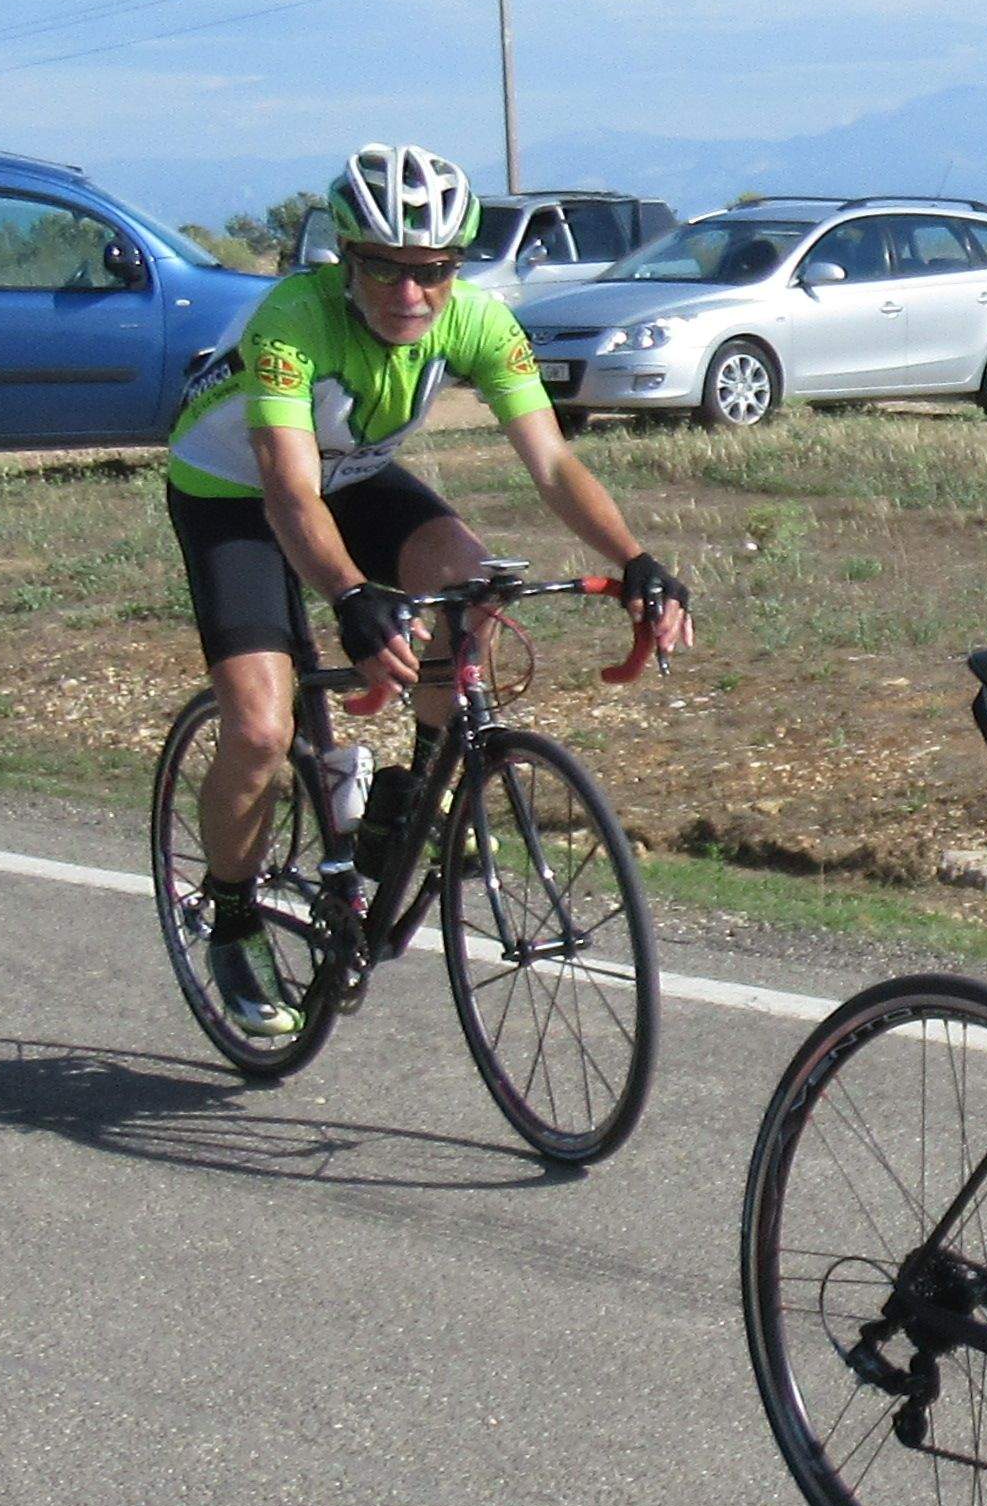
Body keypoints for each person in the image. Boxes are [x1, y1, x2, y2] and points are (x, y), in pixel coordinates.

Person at [168, 143, 693, 1041]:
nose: (410, 296)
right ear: (347, 258)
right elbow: (289, 495)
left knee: (470, 580)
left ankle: (410, 795)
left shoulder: (479, 322)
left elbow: (553, 461)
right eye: (384, 269)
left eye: (433, 272)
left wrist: (637, 558)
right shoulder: (292, 324)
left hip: (355, 476)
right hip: (236, 495)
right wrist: (347, 595)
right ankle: (231, 913)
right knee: (260, 728)